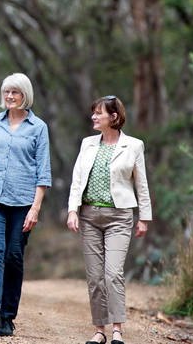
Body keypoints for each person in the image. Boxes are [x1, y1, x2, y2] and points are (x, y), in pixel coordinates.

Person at [0, 73, 51, 337]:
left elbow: (43, 172)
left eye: (15, 92)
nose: (9, 97)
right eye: (6, 92)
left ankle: (7, 316)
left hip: (22, 202)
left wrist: (35, 208)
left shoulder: (38, 127)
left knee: (13, 256)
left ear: (25, 94)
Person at [66, 95, 152, 344]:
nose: (93, 117)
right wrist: (73, 210)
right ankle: (99, 330)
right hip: (89, 215)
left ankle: (117, 330)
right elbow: (77, 181)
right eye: (93, 113)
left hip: (119, 216)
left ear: (114, 117)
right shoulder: (88, 144)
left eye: (98, 113)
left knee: (113, 273)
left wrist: (144, 218)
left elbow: (142, 184)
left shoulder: (134, 146)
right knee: (95, 277)